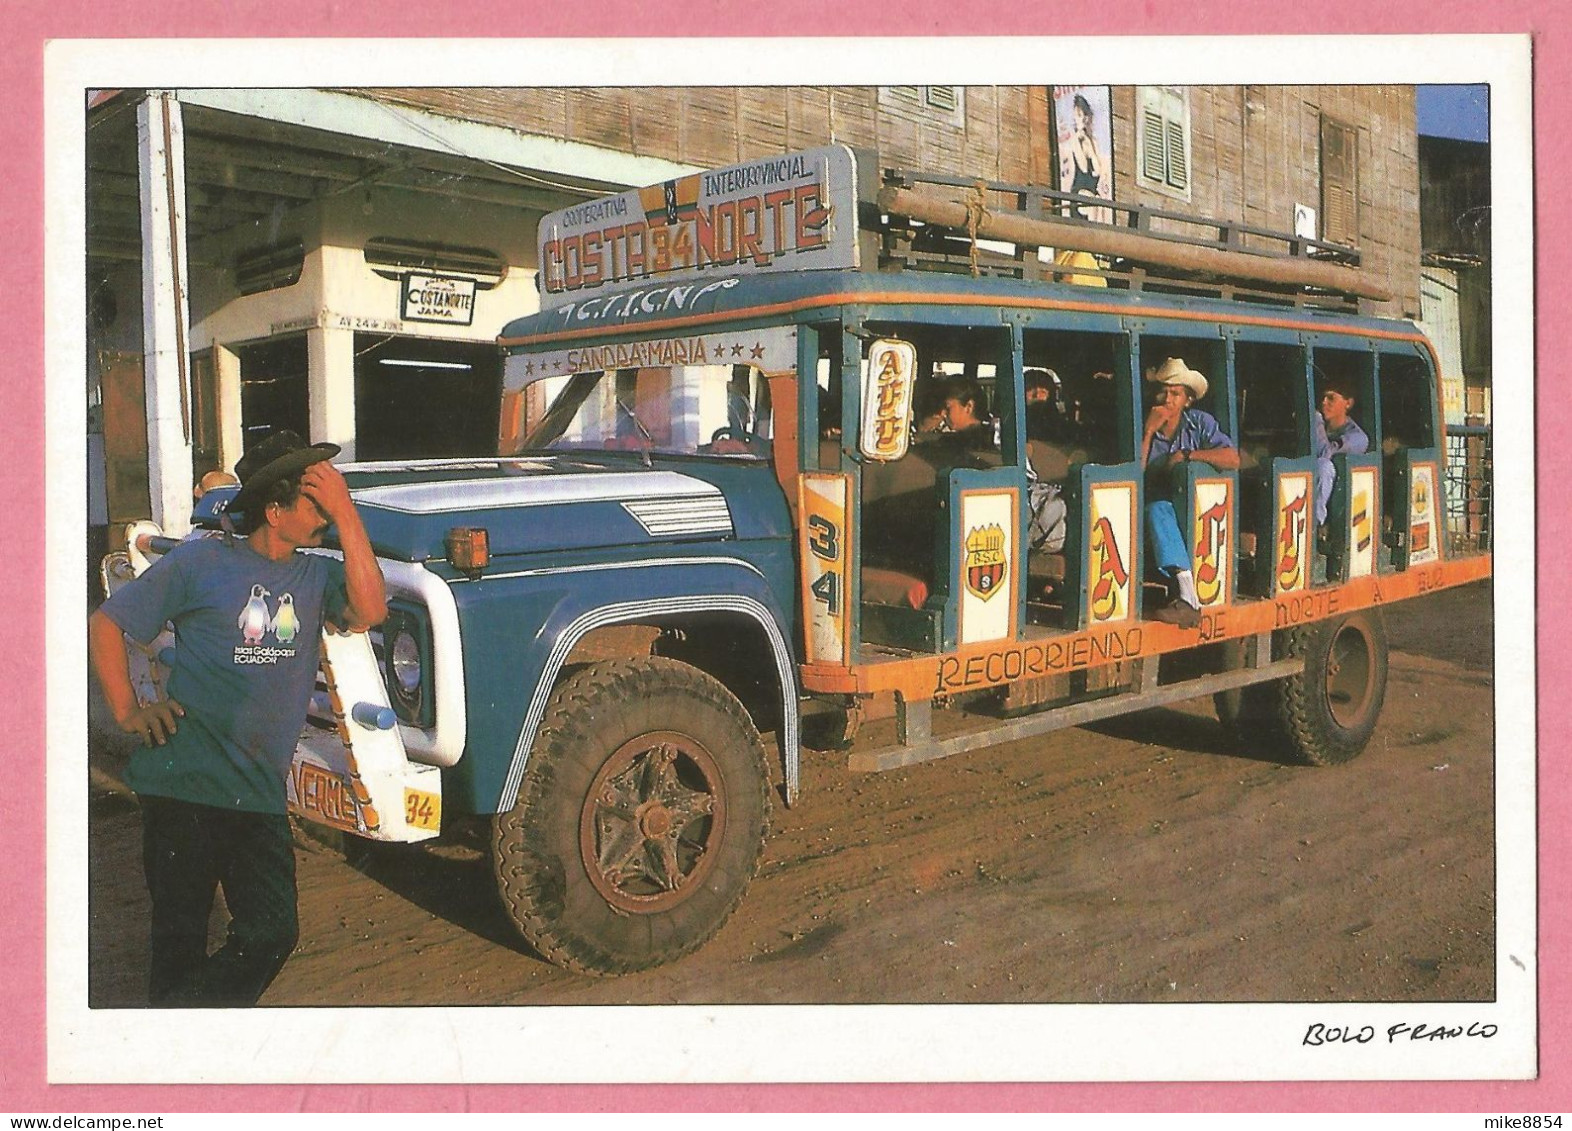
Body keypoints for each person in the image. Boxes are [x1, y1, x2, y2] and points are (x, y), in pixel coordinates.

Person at [89, 430, 386, 1007]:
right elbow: (108, 624)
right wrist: (128, 710)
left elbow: (371, 608)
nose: (325, 515)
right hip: (182, 783)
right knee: (179, 940)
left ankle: (179, 1027)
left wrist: (348, 515)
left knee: (273, 931)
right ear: (273, 511)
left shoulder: (315, 576)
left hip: (255, 794)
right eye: (315, 503)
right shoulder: (202, 563)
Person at [1140, 358, 1240, 627]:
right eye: (1164, 392)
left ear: (1187, 400)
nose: (1168, 399)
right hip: (1154, 515)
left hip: (1195, 516)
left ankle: (1188, 599)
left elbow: (1232, 458)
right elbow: (1136, 477)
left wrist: (1188, 455)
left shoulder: (1200, 423)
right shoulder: (1145, 423)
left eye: (1176, 393)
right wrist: (1149, 432)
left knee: (1159, 509)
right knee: (1156, 508)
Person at [1311, 375, 1370, 525]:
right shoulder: (1320, 427)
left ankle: (1315, 524)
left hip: (1339, 515)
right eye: (1323, 398)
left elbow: (1324, 453)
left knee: (1324, 466)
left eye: (1331, 398)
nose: (1324, 402)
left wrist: (1316, 420)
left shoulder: (1357, 437)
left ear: (1348, 403)